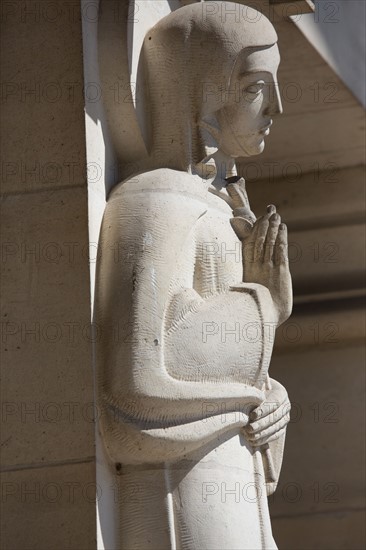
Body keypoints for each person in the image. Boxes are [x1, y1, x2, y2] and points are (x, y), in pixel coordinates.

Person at [95, 3, 292, 548]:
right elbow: (135, 385)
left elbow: (227, 381)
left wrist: (272, 398)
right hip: (182, 494)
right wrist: (262, 309)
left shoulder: (212, 209)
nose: (278, 106)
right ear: (203, 90)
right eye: (256, 86)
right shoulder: (153, 202)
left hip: (231, 487)